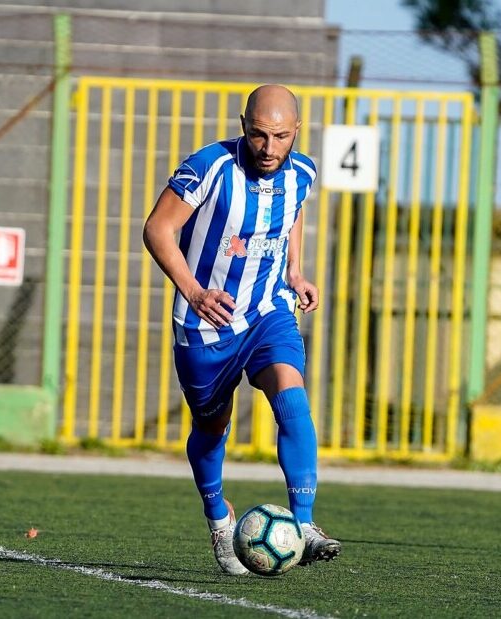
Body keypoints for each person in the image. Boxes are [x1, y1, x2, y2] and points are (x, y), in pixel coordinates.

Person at [142, 84, 341, 575]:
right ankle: (218, 519)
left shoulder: (304, 173)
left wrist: (295, 272)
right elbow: (156, 229)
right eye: (258, 135)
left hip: (268, 310)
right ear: (242, 125)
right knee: (211, 428)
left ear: (296, 131)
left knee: (291, 396)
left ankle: (305, 524)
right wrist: (193, 291)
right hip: (206, 323)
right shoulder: (209, 167)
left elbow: (292, 215)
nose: (269, 148)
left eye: (279, 136)